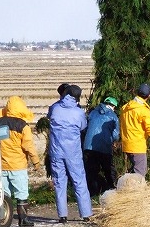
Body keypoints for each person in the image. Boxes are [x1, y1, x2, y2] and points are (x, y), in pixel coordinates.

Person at [47, 85, 92, 223]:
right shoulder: (78, 112)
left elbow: (49, 117)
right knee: (79, 181)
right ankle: (85, 214)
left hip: (56, 152)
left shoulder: (55, 108)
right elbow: (83, 126)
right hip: (73, 152)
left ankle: (62, 216)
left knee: (60, 182)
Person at [0, 96, 40, 227]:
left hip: (2, 165)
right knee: (22, 194)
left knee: (4, 195)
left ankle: (3, 219)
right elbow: (28, 146)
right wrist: (36, 162)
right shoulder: (23, 126)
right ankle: (23, 220)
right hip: (18, 166)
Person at [120, 83, 150, 177]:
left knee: (134, 170)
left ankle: (128, 188)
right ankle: (136, 191)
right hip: (137, 146)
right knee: (140, 173)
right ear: (149, 96)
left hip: (127, 144)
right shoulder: (142, 110)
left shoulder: (125, 108)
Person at [83, 96, 120, 196]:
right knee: (108, 170)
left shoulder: (92, 112)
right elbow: (116, 135)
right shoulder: (113, 116)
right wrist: (113, 141)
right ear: (113, 106)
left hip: (88, 147)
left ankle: (91, 193)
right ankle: (113, 190)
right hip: (104, 147)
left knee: (91, 172)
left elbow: (85, 128)